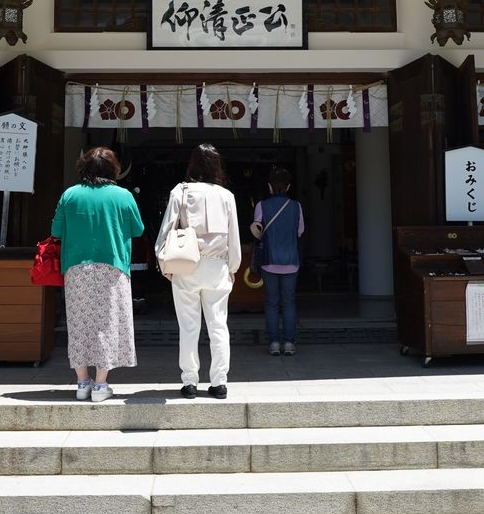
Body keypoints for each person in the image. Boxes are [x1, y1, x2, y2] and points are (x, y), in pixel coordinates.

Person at [51, 147, 144, 401]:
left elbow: (56, 230)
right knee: (108, 323)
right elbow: (137, 229)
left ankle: (82, 383)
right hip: (113, 267)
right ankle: (101, 385)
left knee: (78, 323)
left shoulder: (70, 195)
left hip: (76, 267)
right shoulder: (123, 195)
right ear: (113, 169)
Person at [155, 143, 241, 399]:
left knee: (189, 326)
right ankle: (219, 382)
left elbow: (166, 229)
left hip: (186, 264)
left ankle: (190, 381)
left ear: (193, 164)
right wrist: (233, 266)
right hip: (217, 266)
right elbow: (233, 236)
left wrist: (163, 262)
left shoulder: (180, 191)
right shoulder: (226, 196)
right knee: (218, 325)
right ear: (216, 165)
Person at [253, 166, 304, 357]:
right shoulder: (296, 206)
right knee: (289, 303)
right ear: (289, 186)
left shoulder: (261, 206)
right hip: (291, 260)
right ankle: (289, 343)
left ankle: (274, 343)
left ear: (269, 186)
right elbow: (300, 232)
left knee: (272, 303)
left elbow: (257, 231)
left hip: (269, 260)